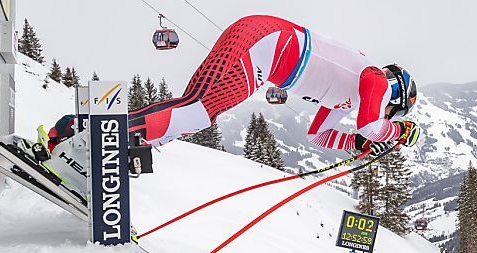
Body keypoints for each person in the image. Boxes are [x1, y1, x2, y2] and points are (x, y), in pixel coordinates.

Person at [129, 15, 420, 155]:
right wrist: (399, 132)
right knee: (198, 112)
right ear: (397, 96)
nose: (386, 115)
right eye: (392, 113)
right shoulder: (376, 80)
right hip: (267, 45)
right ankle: (118, 137)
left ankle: (125, 139)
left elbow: (316, 136)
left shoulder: (350, 97)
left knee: (197, 109)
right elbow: (370, 126)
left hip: (264, 48)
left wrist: (354, 142)